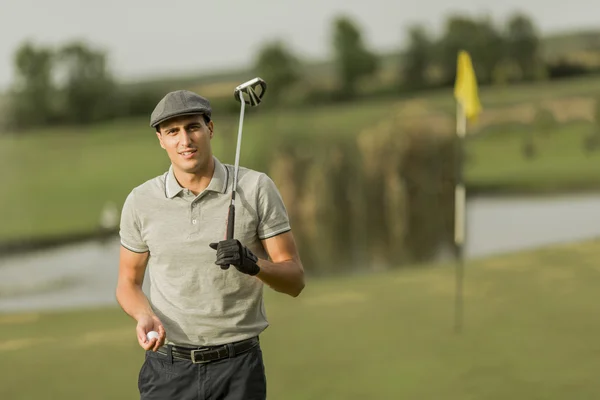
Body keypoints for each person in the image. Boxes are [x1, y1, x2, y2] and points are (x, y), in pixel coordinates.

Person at [115, 89, 306, 400]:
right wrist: (143, 314)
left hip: (238, 368)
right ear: (161, 140)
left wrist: (252, 264)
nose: (185, 141)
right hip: (168, 369)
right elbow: (127, 283)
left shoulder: (256, 187)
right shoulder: (140, 201)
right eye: (172, 131)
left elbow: (295, 280)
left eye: (193, 127)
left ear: (210, 129)